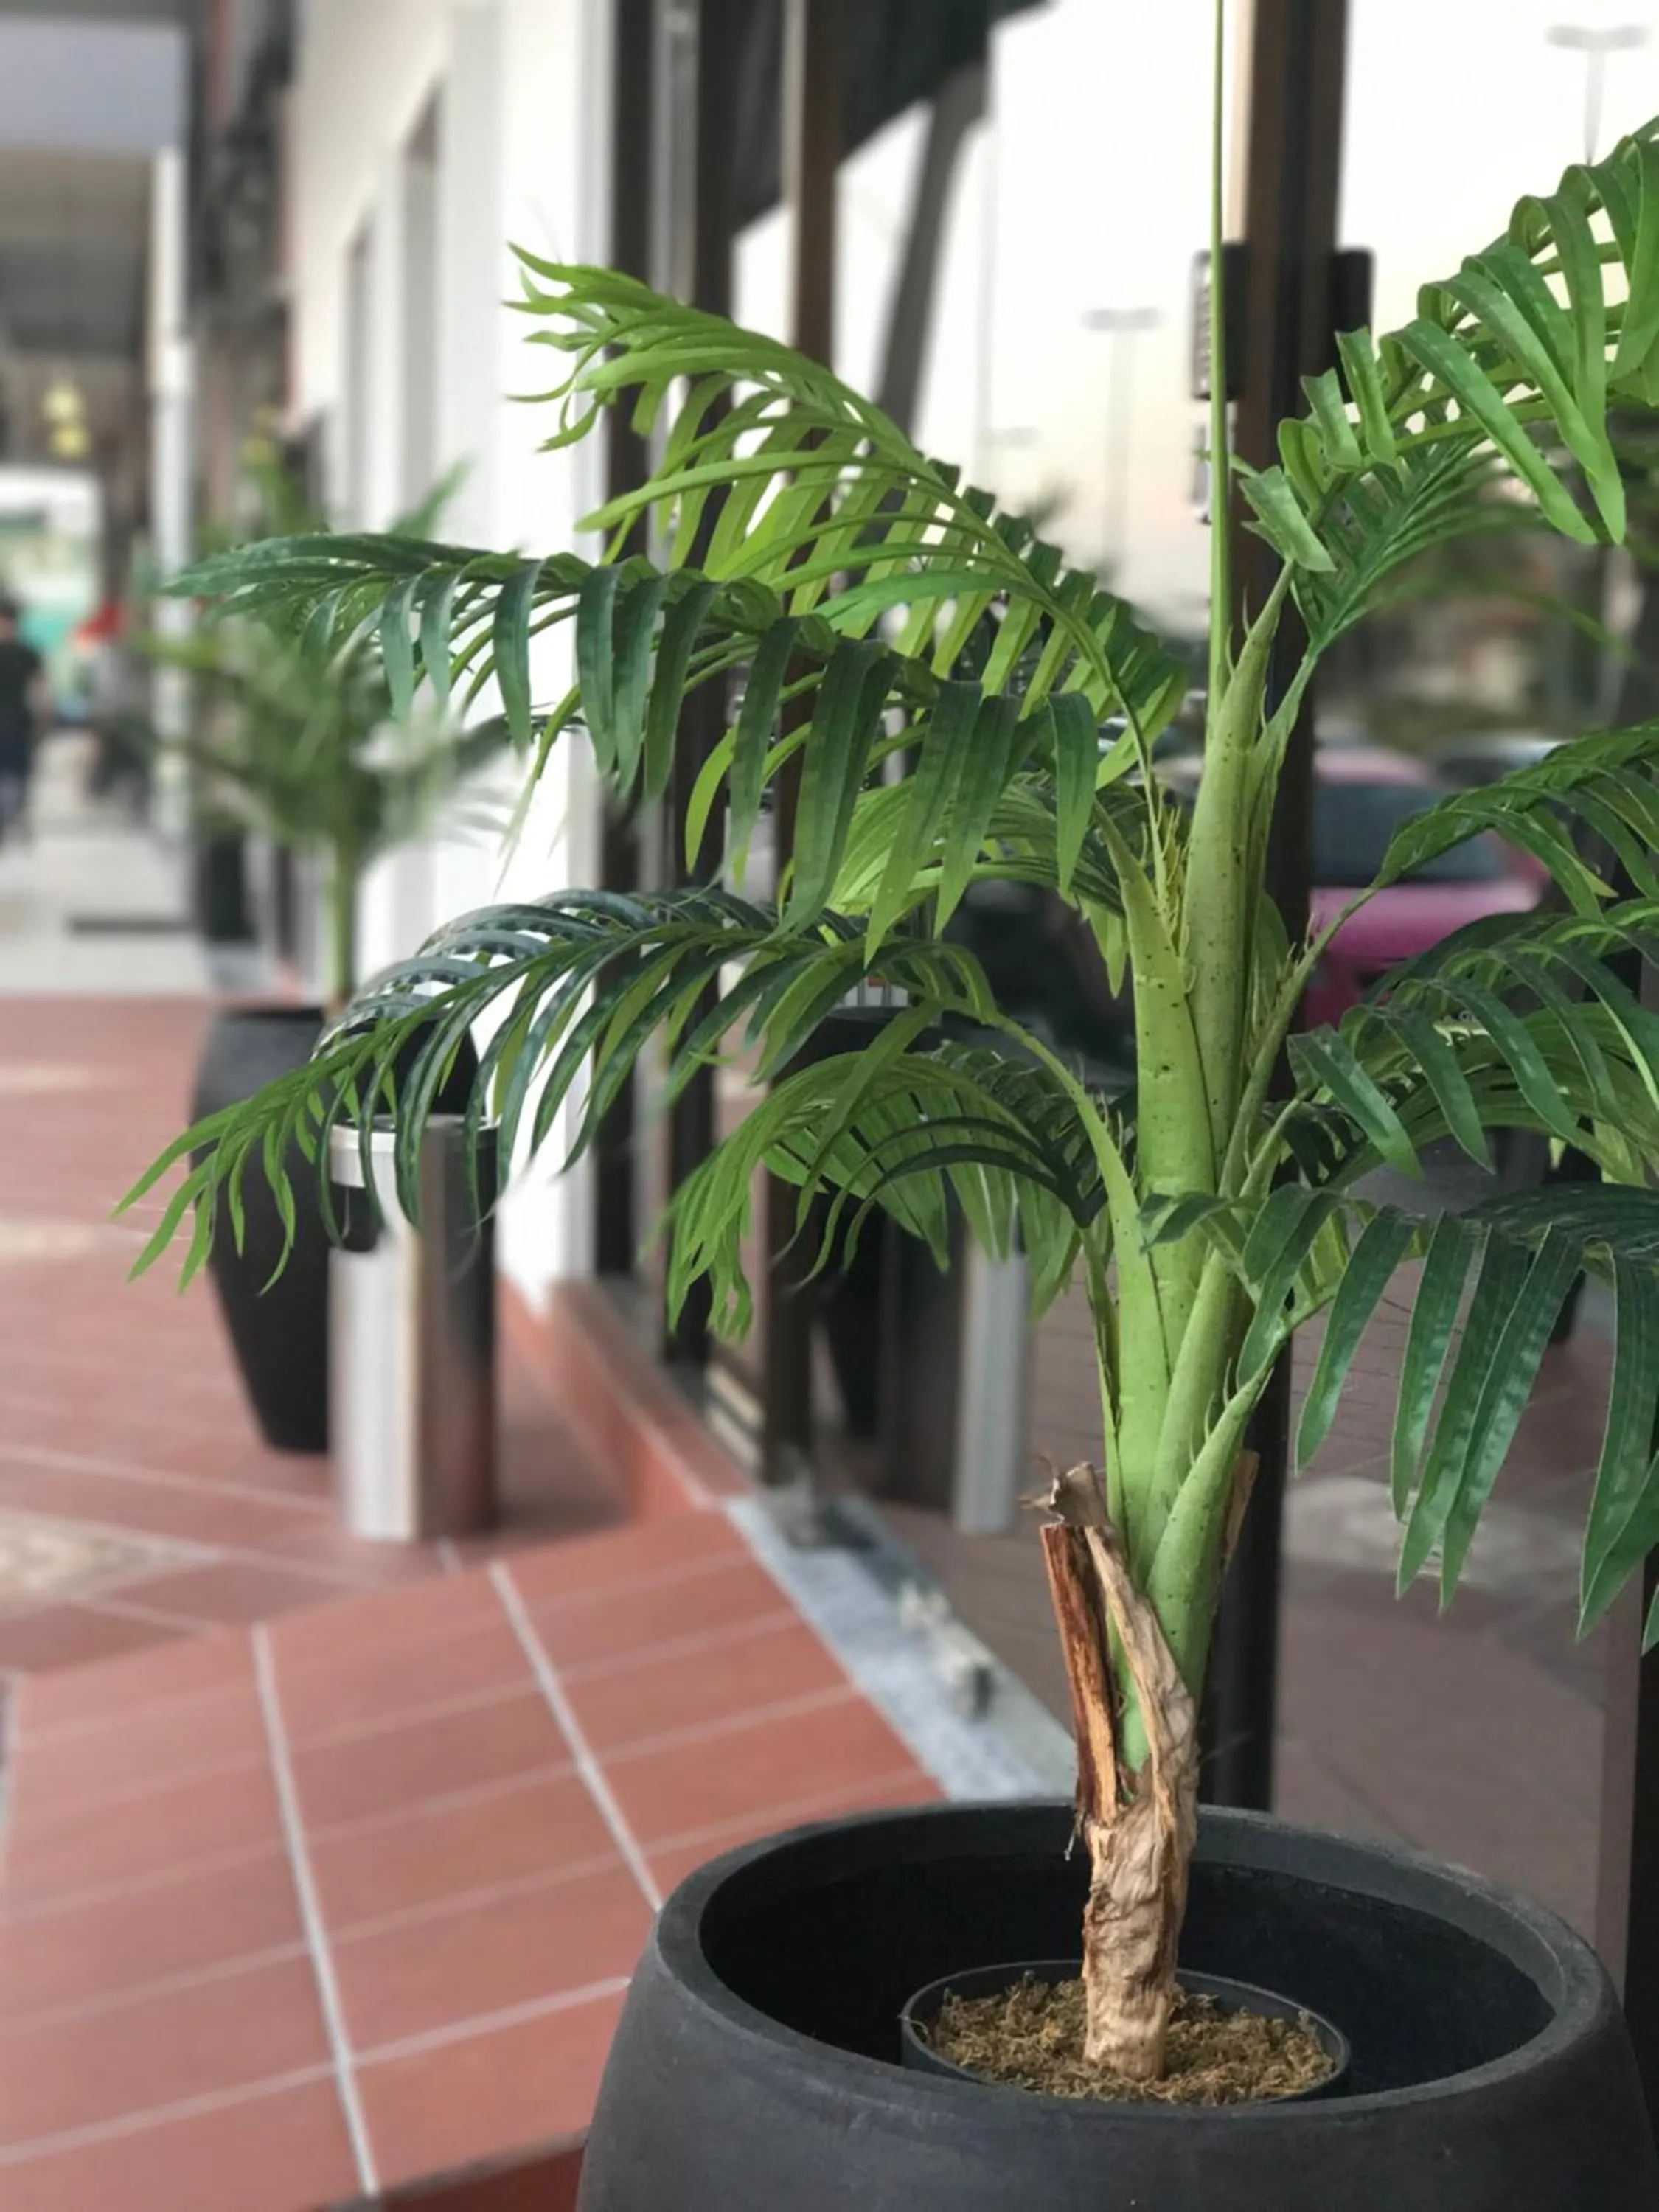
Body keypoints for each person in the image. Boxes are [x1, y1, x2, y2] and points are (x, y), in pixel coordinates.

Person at [0, 599, 44, 845]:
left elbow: (40, 689)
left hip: (18, 722)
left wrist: (43, 719)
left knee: (19, 774)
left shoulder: (28, 653)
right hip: (14, 722)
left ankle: (16, 815)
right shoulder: (29, 653)